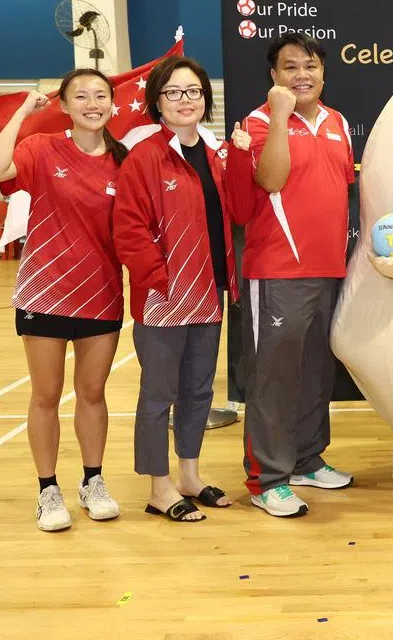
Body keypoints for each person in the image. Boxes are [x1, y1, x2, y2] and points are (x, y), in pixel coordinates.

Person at [0, 69, 125, 532]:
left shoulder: (125, 160)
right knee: (45, 395)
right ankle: (48, 490)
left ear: (112, 104)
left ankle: (93, 481)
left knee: (93, 393)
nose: (91, 103)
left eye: (100, 95)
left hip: (101, 294)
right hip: (45, 292)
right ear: (63, 105)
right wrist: (23, 112)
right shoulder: (42, 149)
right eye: (80, 96)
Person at [225, 32, 355, 518]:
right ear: (274, 76)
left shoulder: (337, 122)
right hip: (278, 272)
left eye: (311, 66)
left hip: (328, 270)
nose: (303, 75)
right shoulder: (259, 124)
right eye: (291, 67)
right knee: (274, 378)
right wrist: (280, 114)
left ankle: (304, 458)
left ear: (324, 72)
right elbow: (272, 180)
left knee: (315, 372)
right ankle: (267, 479)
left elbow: (341, 188)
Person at [113, 56, 239, 522]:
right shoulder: (145, 158)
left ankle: (189, 474)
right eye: (174, 93)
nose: (185, 100)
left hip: (209, 293)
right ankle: (159, 487)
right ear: (157, 102)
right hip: (163, 299)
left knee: (199, 393)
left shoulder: (216, 155)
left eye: (193, 92)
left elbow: (236, 216)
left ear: (205, 99)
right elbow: (129, 229)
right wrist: (159, 281)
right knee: (157, 395)